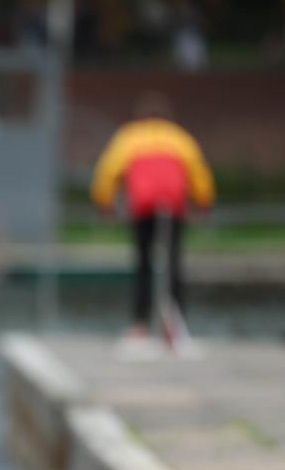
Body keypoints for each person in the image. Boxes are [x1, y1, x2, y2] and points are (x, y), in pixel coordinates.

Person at [91, 91, 215, 349]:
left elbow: (108, 171)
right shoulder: (179, 138)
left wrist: (106, 203)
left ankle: (141, 324)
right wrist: (203, 203)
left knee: (144, 264)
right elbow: (199, 173)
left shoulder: (129, 137)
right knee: (173, 262)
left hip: (143, 206)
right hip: (173, 206)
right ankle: (176, 324)